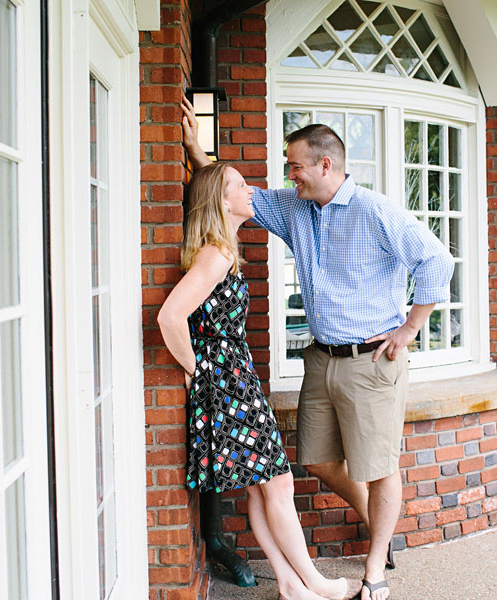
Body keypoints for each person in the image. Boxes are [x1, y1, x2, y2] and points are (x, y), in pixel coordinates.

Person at [182, 99, 453, 600]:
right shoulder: (296, 208)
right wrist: (198, 153)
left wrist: (411, 327)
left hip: (374, 360)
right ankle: (379, 524)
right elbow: (236, 198)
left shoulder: (375, 211)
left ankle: (374, 570)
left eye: (296, 165)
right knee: (318, 459)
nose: (291, 174)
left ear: (325, 164)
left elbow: (436, 260)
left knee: (380, 467)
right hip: (321, 357)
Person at [156, 162, 362, 600]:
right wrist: (197, 370)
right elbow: (170, 316)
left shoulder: (221, 248)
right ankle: (314, 580)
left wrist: (197, 151)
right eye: (238, 185)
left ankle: (289, 584)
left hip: (234, 380)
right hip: (227, 384)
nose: (250, 190)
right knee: (279, 484)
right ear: (220, 201)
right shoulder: (216, 254)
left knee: (259, 488)